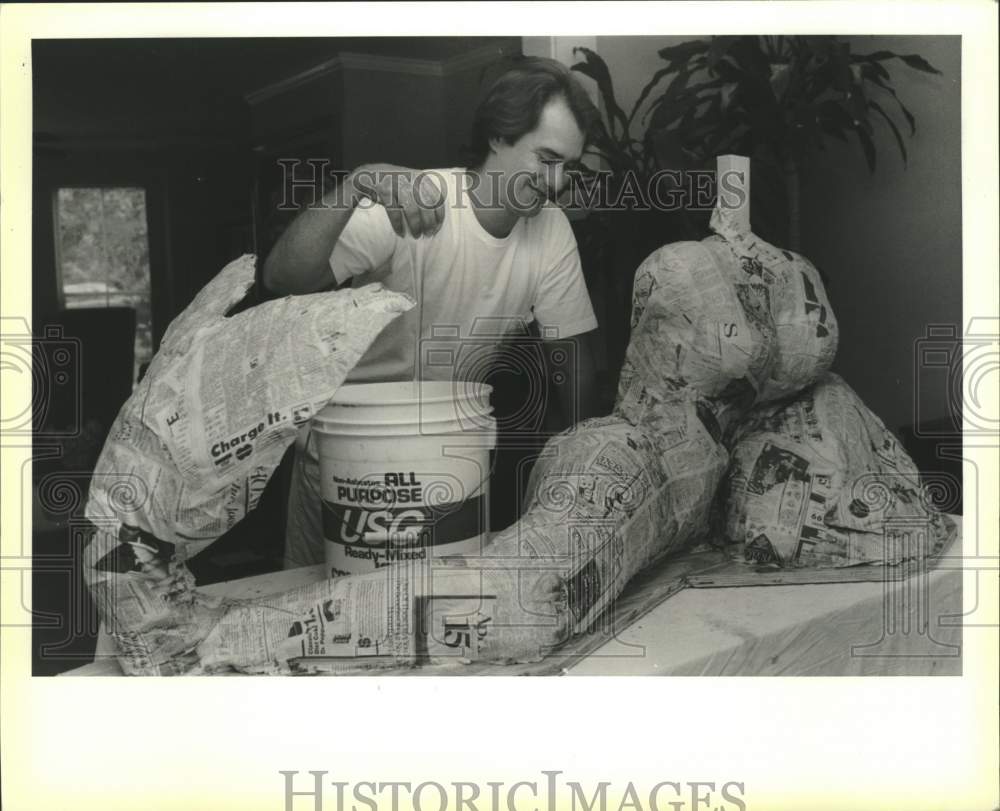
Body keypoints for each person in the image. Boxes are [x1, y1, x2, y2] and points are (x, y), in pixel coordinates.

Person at [261, 57, 604, 569]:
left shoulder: (550, 230)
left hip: (451, 459)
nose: (557, 183)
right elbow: (281, 278)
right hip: (348, 455)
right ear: (498, 137)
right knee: (330, 618)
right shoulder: (415, 201)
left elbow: (574, 371)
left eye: (569, 167)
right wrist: (358, 185)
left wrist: (574, 479)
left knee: (444, 615)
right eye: (546, 159)